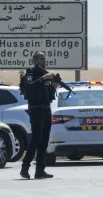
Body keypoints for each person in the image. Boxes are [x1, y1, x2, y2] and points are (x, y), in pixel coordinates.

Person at [20, 51, 58, 179]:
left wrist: (54, 85)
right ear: (35, 60)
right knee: (36, 139)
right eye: (42, 59)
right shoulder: (30, 74)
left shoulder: (45, 74)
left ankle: (40, 170)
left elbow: (50, 93)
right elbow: (30, 88)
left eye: (45, 59)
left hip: (47, 109)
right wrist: (44, 79)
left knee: (44, 141)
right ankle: (25, 168)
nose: (44, 61)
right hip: (36, 109)